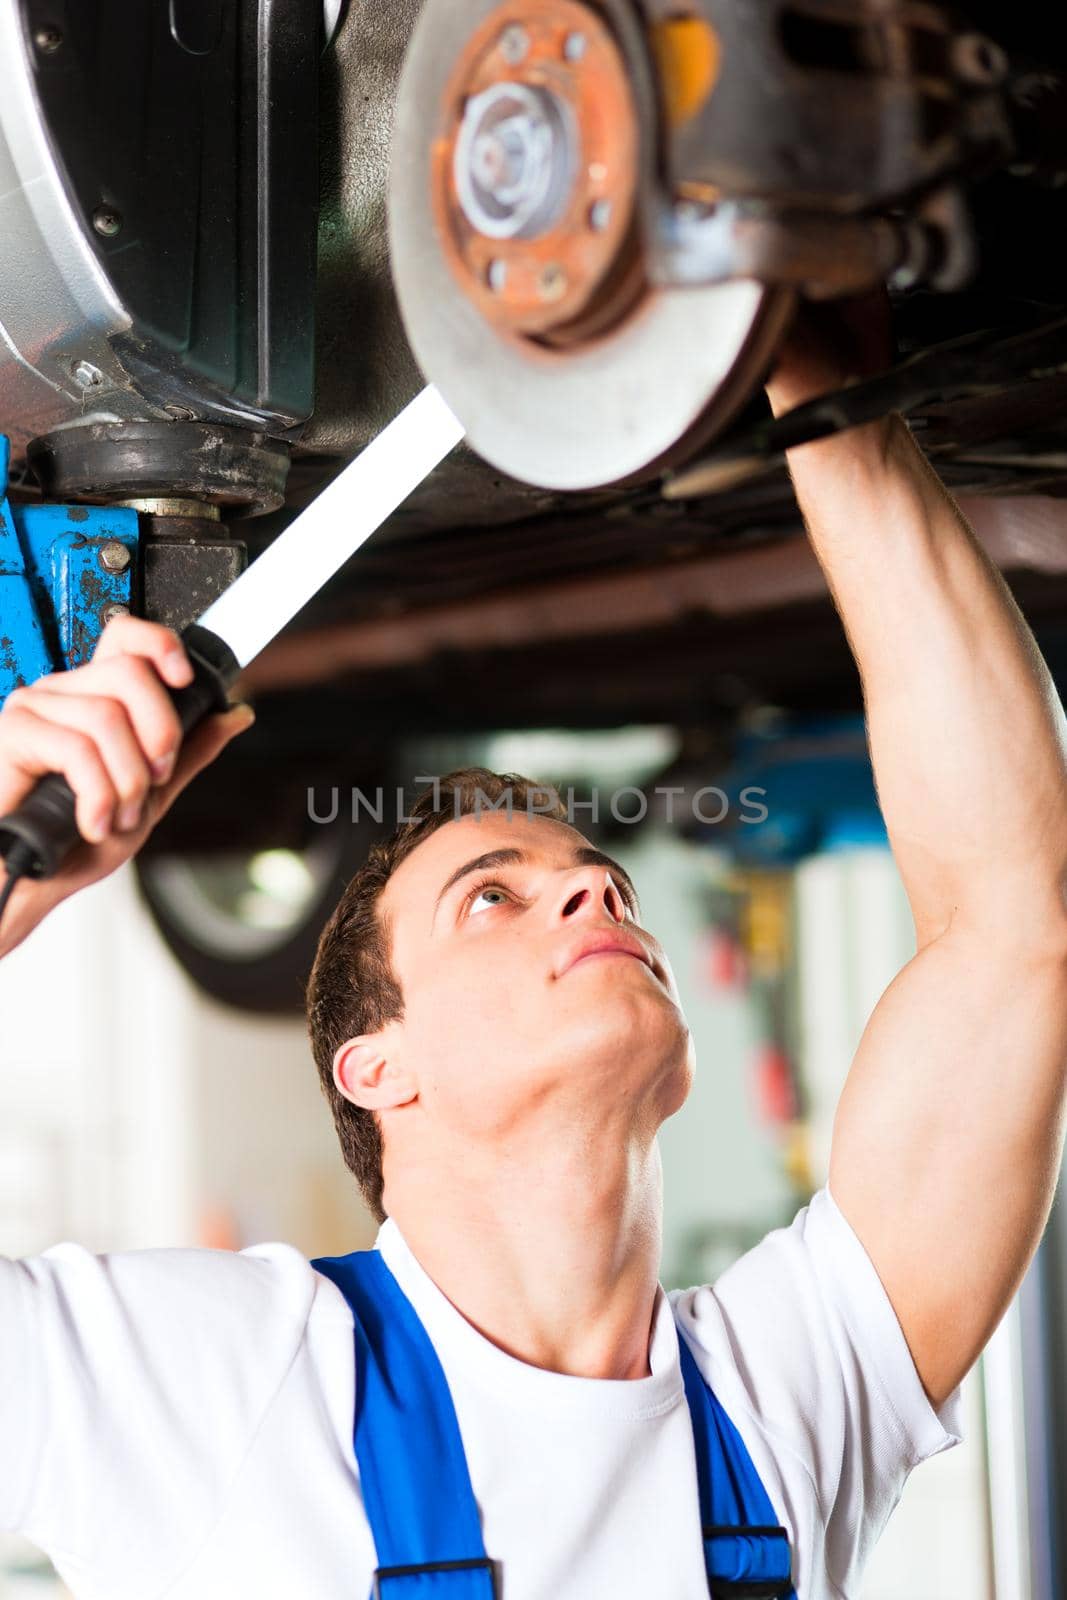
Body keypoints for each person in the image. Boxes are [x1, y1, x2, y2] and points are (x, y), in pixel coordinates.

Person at [2, 313, 1066, 1600]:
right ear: (374, 1066)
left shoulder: (771, 1409)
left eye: (594, 878)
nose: (586, 893)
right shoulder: (217, 1380)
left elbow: (1010, 920)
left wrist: (820, 377)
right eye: (492, 897)